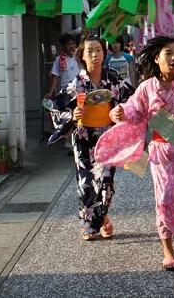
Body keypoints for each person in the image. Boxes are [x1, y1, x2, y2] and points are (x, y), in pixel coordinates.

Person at [109, 36, 174, 271]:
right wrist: (120, 113)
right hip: (161, 153)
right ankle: (168, 250)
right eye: (169, 53)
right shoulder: (146, 87)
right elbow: (134, 112)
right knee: (164, 199)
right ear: (157, 58)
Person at [58, 35, 133, 241]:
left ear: (104, 53)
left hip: (108, 137)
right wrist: (71, 116)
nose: (94, 55)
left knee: (106, 180)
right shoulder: (75, 83)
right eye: (90, 51)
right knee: (86, 183)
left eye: (98, 50)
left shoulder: (114, 78)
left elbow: (129, 101)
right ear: (82, 55)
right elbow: (59, 109)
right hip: (83, 138)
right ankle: (92, 225)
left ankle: (102, 217)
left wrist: (121, 110)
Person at [45, 33, 81, 99]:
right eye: (68, 44)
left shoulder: (80, 57)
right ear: (63, 47)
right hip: (66, 91)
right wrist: (50, 92)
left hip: (80, 90)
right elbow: (55, 77)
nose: (71, 46)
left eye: (73, 43)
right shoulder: (59, 59)